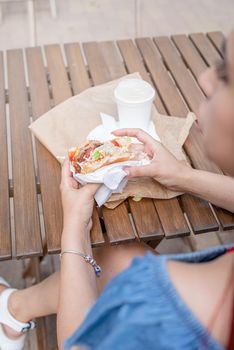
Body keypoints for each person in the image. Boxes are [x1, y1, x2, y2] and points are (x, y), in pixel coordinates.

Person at [0, 31, 234, 350]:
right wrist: (181, 176)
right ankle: (14, 312)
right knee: (121, 254)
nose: (206, 78)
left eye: (225, 75)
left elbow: (77, 345)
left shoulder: (157, 300)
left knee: (122, 265)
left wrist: (74, 231)